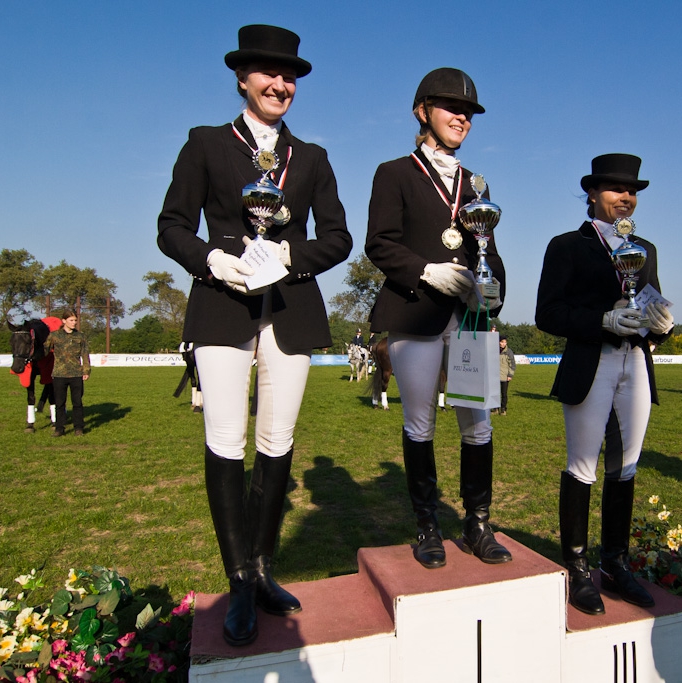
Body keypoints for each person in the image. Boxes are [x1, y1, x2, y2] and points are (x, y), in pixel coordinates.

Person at [157, 24, 351, 647]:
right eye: (268, 73)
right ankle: (237, 578)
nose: (281, 84)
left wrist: (289, 259)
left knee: (277, 437)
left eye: (290, 75)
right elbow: (171, 225)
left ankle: (263, 569)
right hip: (221, 306)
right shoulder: (207, 143)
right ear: (242, 79)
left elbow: (338, 238)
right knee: (226, 439)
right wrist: (216, 259)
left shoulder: (314, 158)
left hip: (290, 308)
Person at [366, 67, 511, 570]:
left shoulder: (476, 184)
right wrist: (426, 270)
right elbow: (379, 242)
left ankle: (477, 524)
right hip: (416, 311)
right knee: (421, 422)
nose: (462, 117)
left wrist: (492, 293)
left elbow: (488, 249)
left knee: (479, 424)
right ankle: (427, 526)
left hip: (469, 320)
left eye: (468, 112)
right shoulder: (395, 172)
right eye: (452, 108)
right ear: (422, 111)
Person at [536, 153, 674, 616]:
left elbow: (650, 307)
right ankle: (576, 566)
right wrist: (602, 320)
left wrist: (663, 326)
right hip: (591, 362)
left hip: (636, 363)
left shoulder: (646, 249)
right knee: (583, 465)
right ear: (592, 193)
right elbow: (547, 313)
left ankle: (615, 561)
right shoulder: (566, 246)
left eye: (632, 190)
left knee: (626, 465)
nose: (626, 197)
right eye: (616, 189)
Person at [44, 310, 90, 437]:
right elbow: (44, 351)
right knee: (59, 403)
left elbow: (85, 354)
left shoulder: (81, 336)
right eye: (71, 320)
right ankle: (59, 428)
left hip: (76, 374)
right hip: (59, 374)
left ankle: (78, 428)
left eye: (75, 320)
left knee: (77, 402)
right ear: (64, 321)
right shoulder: (54, 336)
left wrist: (86, 370)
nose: (74, 323)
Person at [498, 335, 515, 415]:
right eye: (502, 342)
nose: (503, 344)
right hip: (495, 376)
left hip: (505, 376)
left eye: (505, 342)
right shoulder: (494, 350)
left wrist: (510, 375)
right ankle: (495, 409)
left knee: (504, 394)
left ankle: (503, 409)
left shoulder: (509, 352)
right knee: (495, 393)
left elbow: (512, 364)